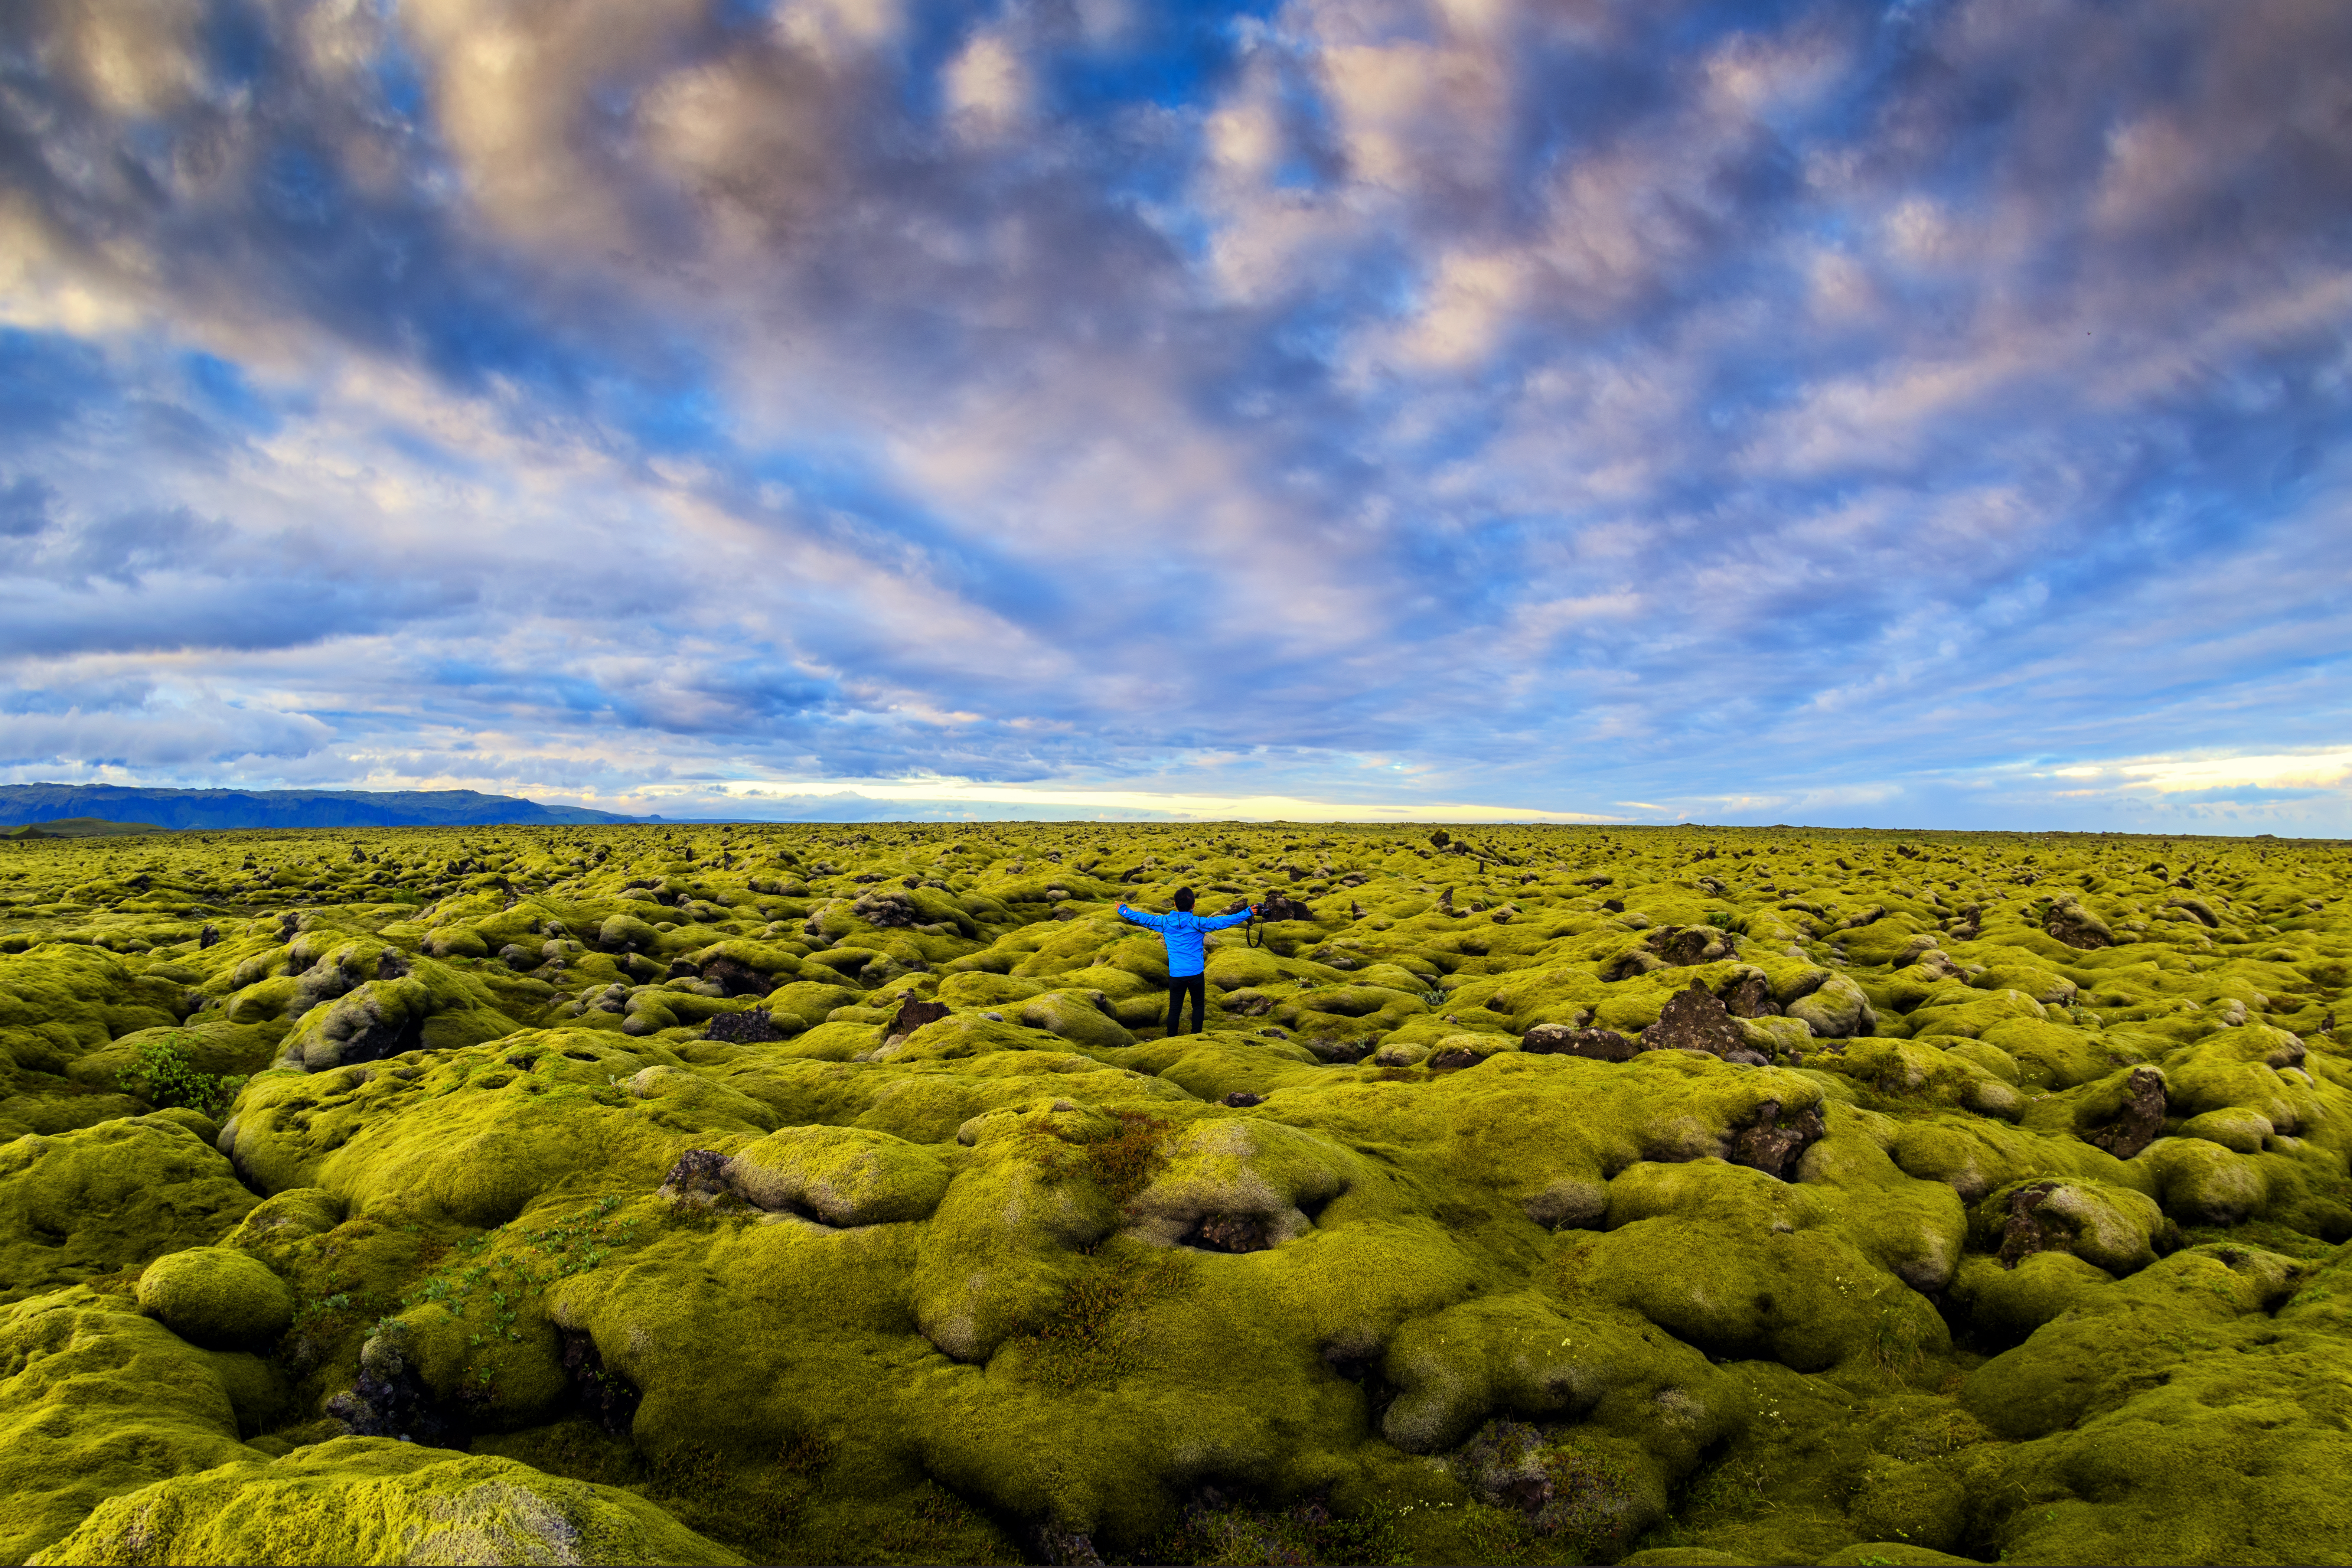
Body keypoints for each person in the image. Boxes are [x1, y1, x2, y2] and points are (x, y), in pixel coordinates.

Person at [1115, 886, 1256, 1036]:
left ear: (1175, 905)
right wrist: (1247, 913)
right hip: (1196, 974)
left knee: (1175, 1008)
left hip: (1176, 975)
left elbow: (1143, 918)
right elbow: (1224, 921)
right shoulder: (1199, 923)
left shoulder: (1164, 922)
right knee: (1198, 1006)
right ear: (1194, 906)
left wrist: (1123, 910)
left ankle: (1171, 1037)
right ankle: (1196, 1036)